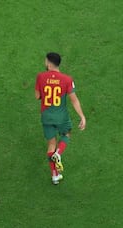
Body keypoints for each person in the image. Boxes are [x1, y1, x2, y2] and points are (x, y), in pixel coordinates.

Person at [35, 52, 86, 184]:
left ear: (48, 63)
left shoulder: (41, 77)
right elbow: (74, 100)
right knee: (67, 133)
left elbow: (37, 96)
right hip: (61, 117)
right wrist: (82, 116)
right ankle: (59, 153)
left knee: (51, 143)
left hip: (46, 116)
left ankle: (55, 176)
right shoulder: (67, 79)